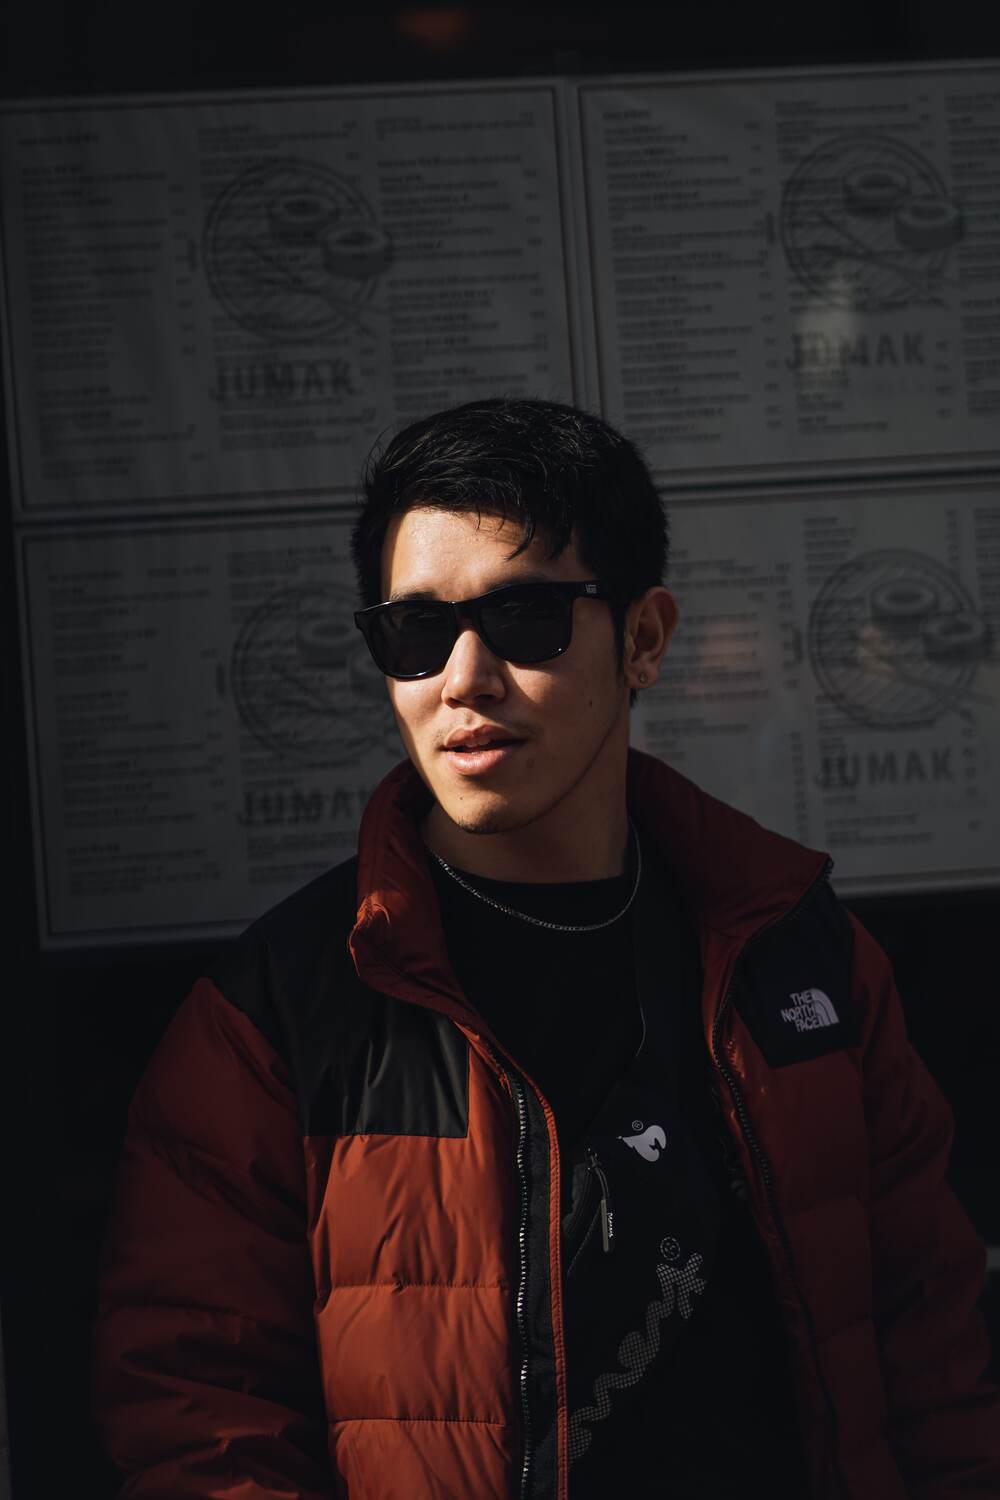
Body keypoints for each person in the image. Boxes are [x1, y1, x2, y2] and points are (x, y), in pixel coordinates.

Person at [91, 397, 1000, 1500]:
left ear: (644, 639)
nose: (463, 678)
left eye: (526, 619)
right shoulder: (281, 1012)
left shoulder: (799, 960)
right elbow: (199, 1417)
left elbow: (933, 1355)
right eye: (416, 632)